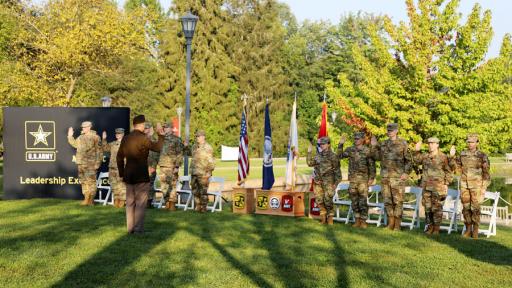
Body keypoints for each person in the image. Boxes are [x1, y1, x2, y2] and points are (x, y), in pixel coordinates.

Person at [117, 115, 164, 234]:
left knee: (130, 203)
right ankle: (138, 229)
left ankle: (130, 228)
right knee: (140, 203)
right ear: (142, 125)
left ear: (134, 125)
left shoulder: (126, 138)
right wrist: (160, 135)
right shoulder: (143, 138)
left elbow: (119, 157)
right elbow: (158, 148)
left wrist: (122, 173)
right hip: (141, 175)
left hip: (128, 175)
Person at [371, 123, 412, 231]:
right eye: (388, 130)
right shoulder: (383, 144)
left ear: (396, 131)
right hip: (385, 177)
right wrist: (374, 146)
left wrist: (406, 172)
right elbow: (376, 157)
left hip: (398, 178)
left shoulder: (403, 143)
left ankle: (397, 225)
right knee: (387, 201)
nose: (390, 132)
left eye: (392, 130)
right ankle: (391, 223)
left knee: (398, 201)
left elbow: (409, 160)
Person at [449, 134, 490, 239]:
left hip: (477, 186)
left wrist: (484, 188)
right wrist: (452, 156)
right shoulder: (462, 154)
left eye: (472, 142)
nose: (470, 144)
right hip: (464, 185)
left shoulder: (482, 155)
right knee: (466, 208)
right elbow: (456, 168)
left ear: (477, 143)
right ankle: (468, 229)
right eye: (469, 142)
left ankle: (475, 230)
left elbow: (486, 173)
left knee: (475, 208)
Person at [414, 137, 453, 235]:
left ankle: (436, 228)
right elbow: (416, 161)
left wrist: (446, 184)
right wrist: (417, 151)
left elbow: (448, 171)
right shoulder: (425, 156)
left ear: (437, 145)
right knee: (427, 208)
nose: (430, 145)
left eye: (433, 143)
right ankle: (430, 226)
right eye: (429, 143)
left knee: (436, 208)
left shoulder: (443, 157)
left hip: (438, 187)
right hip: (426, 186)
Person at [338, 132, 376, 229]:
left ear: (362, 139)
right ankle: (357, 220)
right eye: (355, 138)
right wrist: (341, 144)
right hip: (353, 180)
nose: (356, 140)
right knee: (354, 201)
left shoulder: (367, 150)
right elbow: (340, 156)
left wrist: (372, 178)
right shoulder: (350, 149)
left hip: (363, 180)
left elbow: (372, 165)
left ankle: (363, 221)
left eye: (358, 138)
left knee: (362, 201)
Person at [307, 136, 342, 225]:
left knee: (328, 200)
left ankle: (330, 218)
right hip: (318, 182)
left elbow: (337, 171)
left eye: (324, 144)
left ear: (328, 144)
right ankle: (323, 218)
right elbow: (309, 163)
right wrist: (309, 152)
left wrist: (336, 183)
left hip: (329, 182)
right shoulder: (318, 156)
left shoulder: (333, 156)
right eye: (320, 144)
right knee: (319, 200)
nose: (322, 145)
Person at [67, 121, 102, 206]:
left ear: (89, 127)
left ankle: (91, 200)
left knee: (91, 182)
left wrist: (98, 163)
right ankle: (86, 199)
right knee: (84, 181)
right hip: (81, 162)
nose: (83, 129)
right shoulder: (80, 137)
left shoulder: (96, 137)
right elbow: (75, 144)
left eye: (84, 127)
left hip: (90, 163)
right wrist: (70, 136)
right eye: (82, 127)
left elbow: (99, 151)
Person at [158, 122, 184, 211]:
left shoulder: (177, 139)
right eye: (164, 127)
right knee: (163, 186)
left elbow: (180, 153)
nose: (165, 129)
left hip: (172, 166)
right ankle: (167, 203)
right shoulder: (162, 139)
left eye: (167, 127)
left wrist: (177, 166)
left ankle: (172, 204)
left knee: (172, 186)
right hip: (162, 165)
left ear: (171, 128)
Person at [187, 130, 215, 213]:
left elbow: (211, 161)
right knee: (194, 190)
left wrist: (209, 172)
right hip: (194, 172)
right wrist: (185, 147)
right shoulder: (194, 146)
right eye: (196, 136)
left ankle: (204, 207)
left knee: (203, 191)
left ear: (203, 137)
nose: (197, 138)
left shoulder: (208, 147)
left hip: (203, 173)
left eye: (198, 136)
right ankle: (198, 205)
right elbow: (190, 154)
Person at [102, 128, 127, 208]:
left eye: (119, 133)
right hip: (112, 167)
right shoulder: (113, 144)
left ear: (123, 134)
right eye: (116, 133)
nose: (117, 135)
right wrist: (104, 139)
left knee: (122, 185)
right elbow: (105, 148)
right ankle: (116, 200)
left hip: (122, 167)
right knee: (114, 185)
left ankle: (122, 201)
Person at [144, 122, 160, 207]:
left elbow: (157, 153)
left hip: (151, 165)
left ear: (150, 128)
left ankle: (149, 202)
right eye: (144, 128)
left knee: (149, 184)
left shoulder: (155, 139)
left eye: (146, 128)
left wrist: (154, 166)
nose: (145, 130)